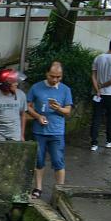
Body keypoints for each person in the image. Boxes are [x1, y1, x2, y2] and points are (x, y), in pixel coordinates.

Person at [26, 61, 73, 199]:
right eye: (52, 76)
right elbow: (27, 106)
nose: (55, 79)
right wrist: (37, 116)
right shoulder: (36, 87)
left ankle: (60, 190)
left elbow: (68, 111)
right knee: (39, 160)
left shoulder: (65, 90)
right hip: (39, 131)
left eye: (58, 77)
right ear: (47, 73)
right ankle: (38, 188)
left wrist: (58, 108)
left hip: (57, 131)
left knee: (58, 160)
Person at [90, 37, 111, 151]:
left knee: (96, 117)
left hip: (99, 94)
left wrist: (98, 88)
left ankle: (93, 143)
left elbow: (94, 76)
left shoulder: (98, 58)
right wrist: (103, 86)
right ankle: (109, 140)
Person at [0, 68, 27, 141]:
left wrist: (22, 135)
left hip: (15, 135)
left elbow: (23, 115)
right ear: (5, 85)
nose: (16, 84)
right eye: (13, 82)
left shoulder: (21, 95)